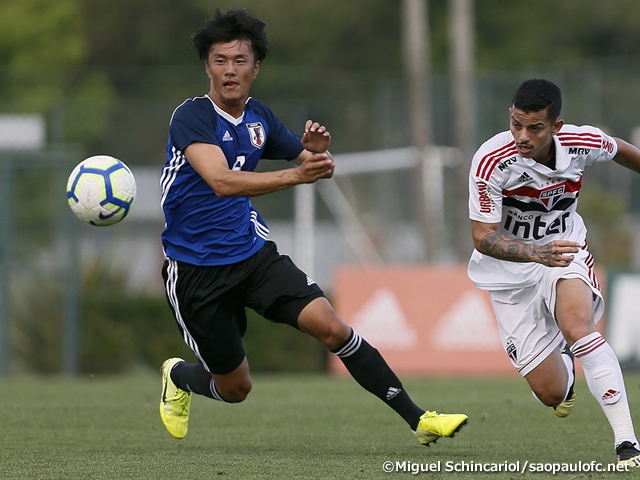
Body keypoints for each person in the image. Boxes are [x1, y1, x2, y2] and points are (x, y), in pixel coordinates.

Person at [158, 7, 467, 446]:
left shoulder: (259, 118)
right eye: (220, 60)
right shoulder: (191, 116)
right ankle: (179, 377)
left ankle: (420, 420)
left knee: (332, 327)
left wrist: (318, 154)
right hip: (195, 272)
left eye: (240, 60)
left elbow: (317, 167)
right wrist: (299, 174)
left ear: (256, 67)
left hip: (252, 256)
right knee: (236, 389)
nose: (230, 70)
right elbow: (222, 182)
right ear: (207, 65)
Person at [468, 78, 640, 466]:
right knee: (552, 394)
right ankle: (562, 367)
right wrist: (533, 252)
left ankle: (627, 443)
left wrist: (548, 253)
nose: (522, 136)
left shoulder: (582, 142)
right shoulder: (491, 160)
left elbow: (624, 153)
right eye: (515, 124)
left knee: (580, 328)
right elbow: (482, 237)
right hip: (509, 273)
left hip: (563, 251)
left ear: (556, 127)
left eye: (534, 127)